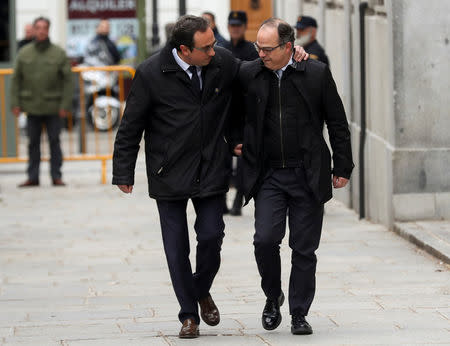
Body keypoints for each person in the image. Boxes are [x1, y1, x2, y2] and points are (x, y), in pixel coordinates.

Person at [113, 14, 308, 339]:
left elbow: (258, 67)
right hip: (168, 173)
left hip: (211, 168)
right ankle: (189, 315)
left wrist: (295, 54)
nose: (214, 51)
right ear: (184, 50)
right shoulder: (150, 73)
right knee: (176, 249)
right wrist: (124, 169)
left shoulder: (222, 63)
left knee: (211, 237)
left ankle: (200, 289)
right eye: (206, 47)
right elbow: (131, 125)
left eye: (214, 43)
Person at [232, 18, 353, 335]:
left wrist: (342, 167)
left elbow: (337, 122)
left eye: (268, 48)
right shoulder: (249, 73)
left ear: (288, 47)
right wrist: (234, 140)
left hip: (307, 173)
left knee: (304, 248)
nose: (261, 54)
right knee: (264, 240)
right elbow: (231, 112)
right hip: (268, 174)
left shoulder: (315, 73)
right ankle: (273, 297)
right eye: (258, 47)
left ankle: (299, 313)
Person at [10, 17, 73, 187]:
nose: (41, 31)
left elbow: (68, 80)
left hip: (54, 107)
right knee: (33, 144)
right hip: (32, 107)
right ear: (34, 29)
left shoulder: (58, 53)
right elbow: (16, 80)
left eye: (44, 27)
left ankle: (56, 176)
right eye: (38, 27)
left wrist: (65, 105)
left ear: (48, 30)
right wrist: (15, 103)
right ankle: (33, 177)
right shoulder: (24, 53)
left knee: (55, 142)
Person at [222, 10, 259, 216]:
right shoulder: (222, 49)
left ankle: (238, 201)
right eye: (232, 26)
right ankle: (222, 202)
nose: (235, 29)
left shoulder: (252, 51)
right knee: (223, 159)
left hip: (246, 112)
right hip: (226, 112)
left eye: (238, 26)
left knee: (244, 159)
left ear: (244, 27)